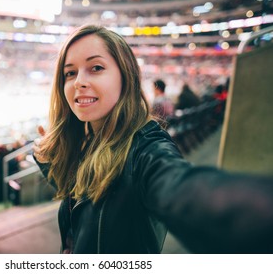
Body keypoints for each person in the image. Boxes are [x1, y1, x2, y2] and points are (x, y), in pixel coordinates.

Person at [32, 24, 273, 254]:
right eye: (70, 73)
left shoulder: (145, 149)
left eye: (96, 68)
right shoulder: (88, 140)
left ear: (125, 76)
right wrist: (49, 163)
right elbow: (84, 201)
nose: (79, 82)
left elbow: (183, 191)